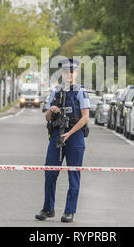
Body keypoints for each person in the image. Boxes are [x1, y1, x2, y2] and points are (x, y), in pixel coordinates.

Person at [35, 58, 90, 223]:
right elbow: (46, 117)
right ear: (62, 73)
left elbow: (85, 117)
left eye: (72, 71)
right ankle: (48, 208)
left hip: (75, 136)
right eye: (66, 72)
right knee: (50, 172)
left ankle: (69, 211)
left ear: (77, 73)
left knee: (73, 174)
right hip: (57, 134)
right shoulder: (56, 91)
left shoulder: (81, 91)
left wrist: (70, 133)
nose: (69, 75)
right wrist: (51, 110)